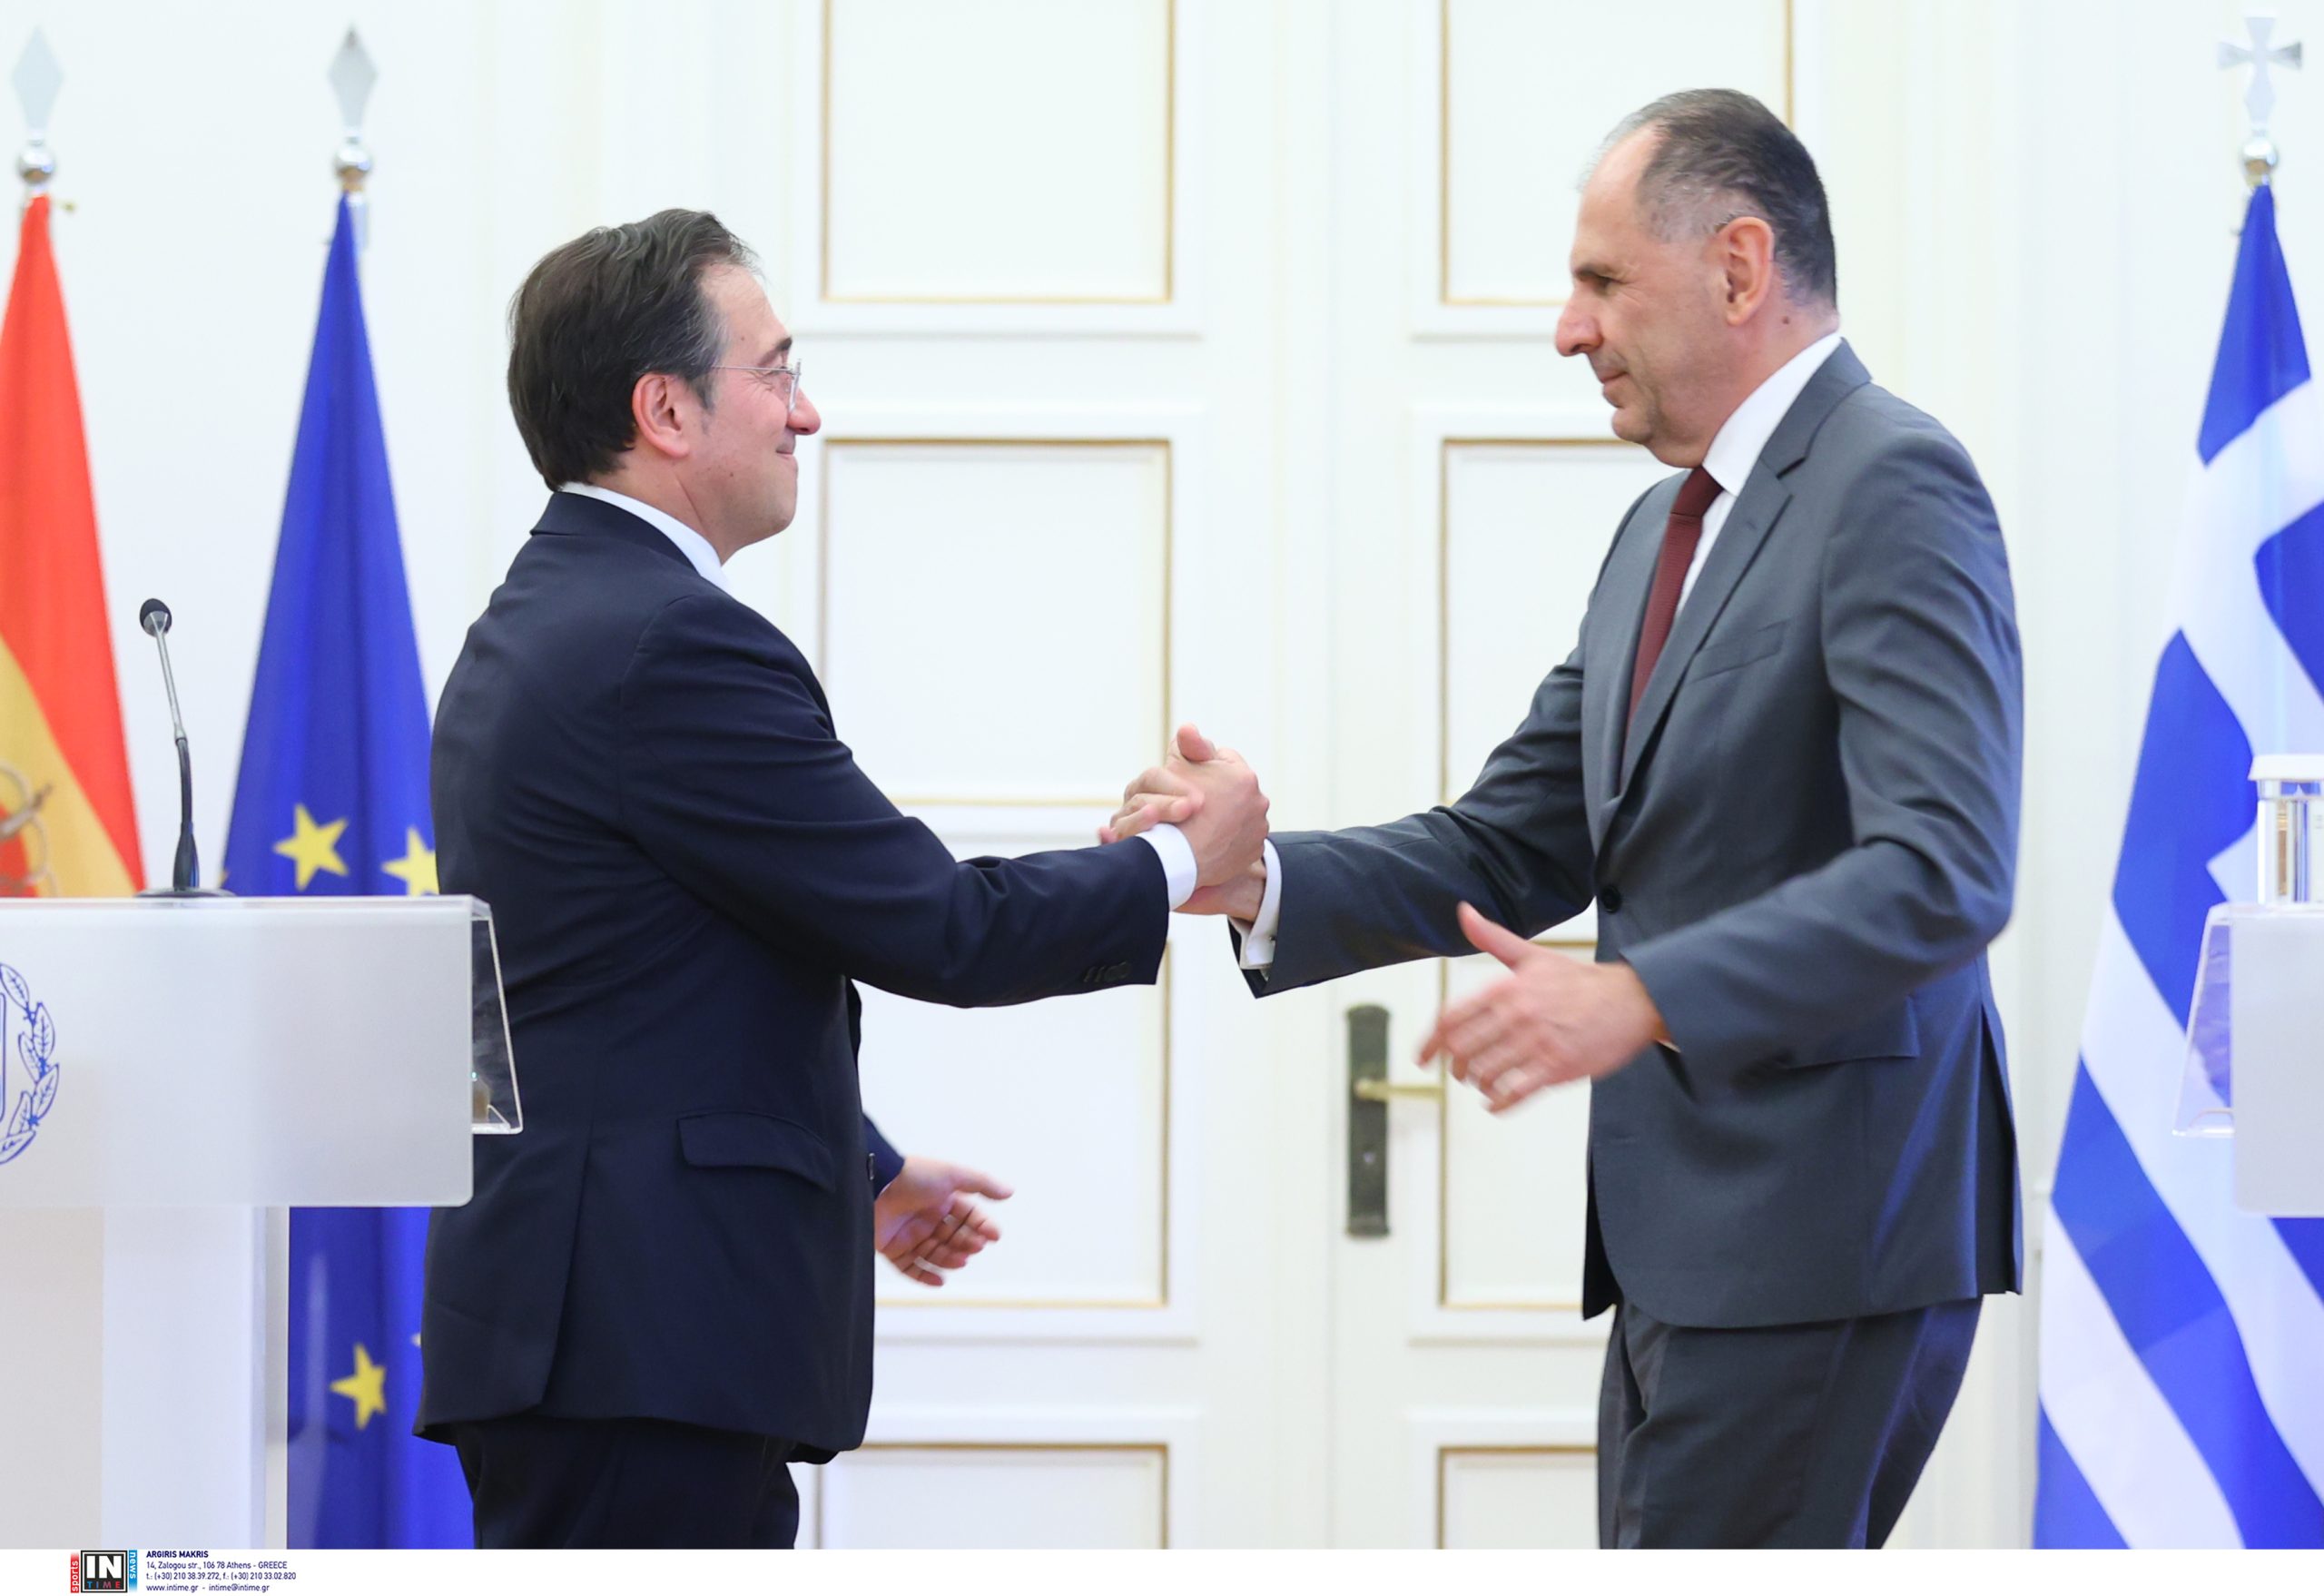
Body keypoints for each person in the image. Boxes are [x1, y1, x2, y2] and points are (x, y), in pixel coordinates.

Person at [1110, 90, 2022, 1548]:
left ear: (1739, 267)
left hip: (1821, 1244)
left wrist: (1642, 994)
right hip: (1686, 1255)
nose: (1567, 328)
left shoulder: (1891, 481)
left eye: (1603, 281)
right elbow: (1515, 842)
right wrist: (1257, 874)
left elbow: (1945, 868)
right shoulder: (1663, 526)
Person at [416, 209, 1268, 1549]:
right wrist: (1181, 860)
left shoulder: (546, 619)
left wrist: (858, 1166)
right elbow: (944, 927)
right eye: (776, 372)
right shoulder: (666, 642)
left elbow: (626, 987)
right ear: (666, 411)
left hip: (599, 1342)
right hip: (641, 1354)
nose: (805, 413)